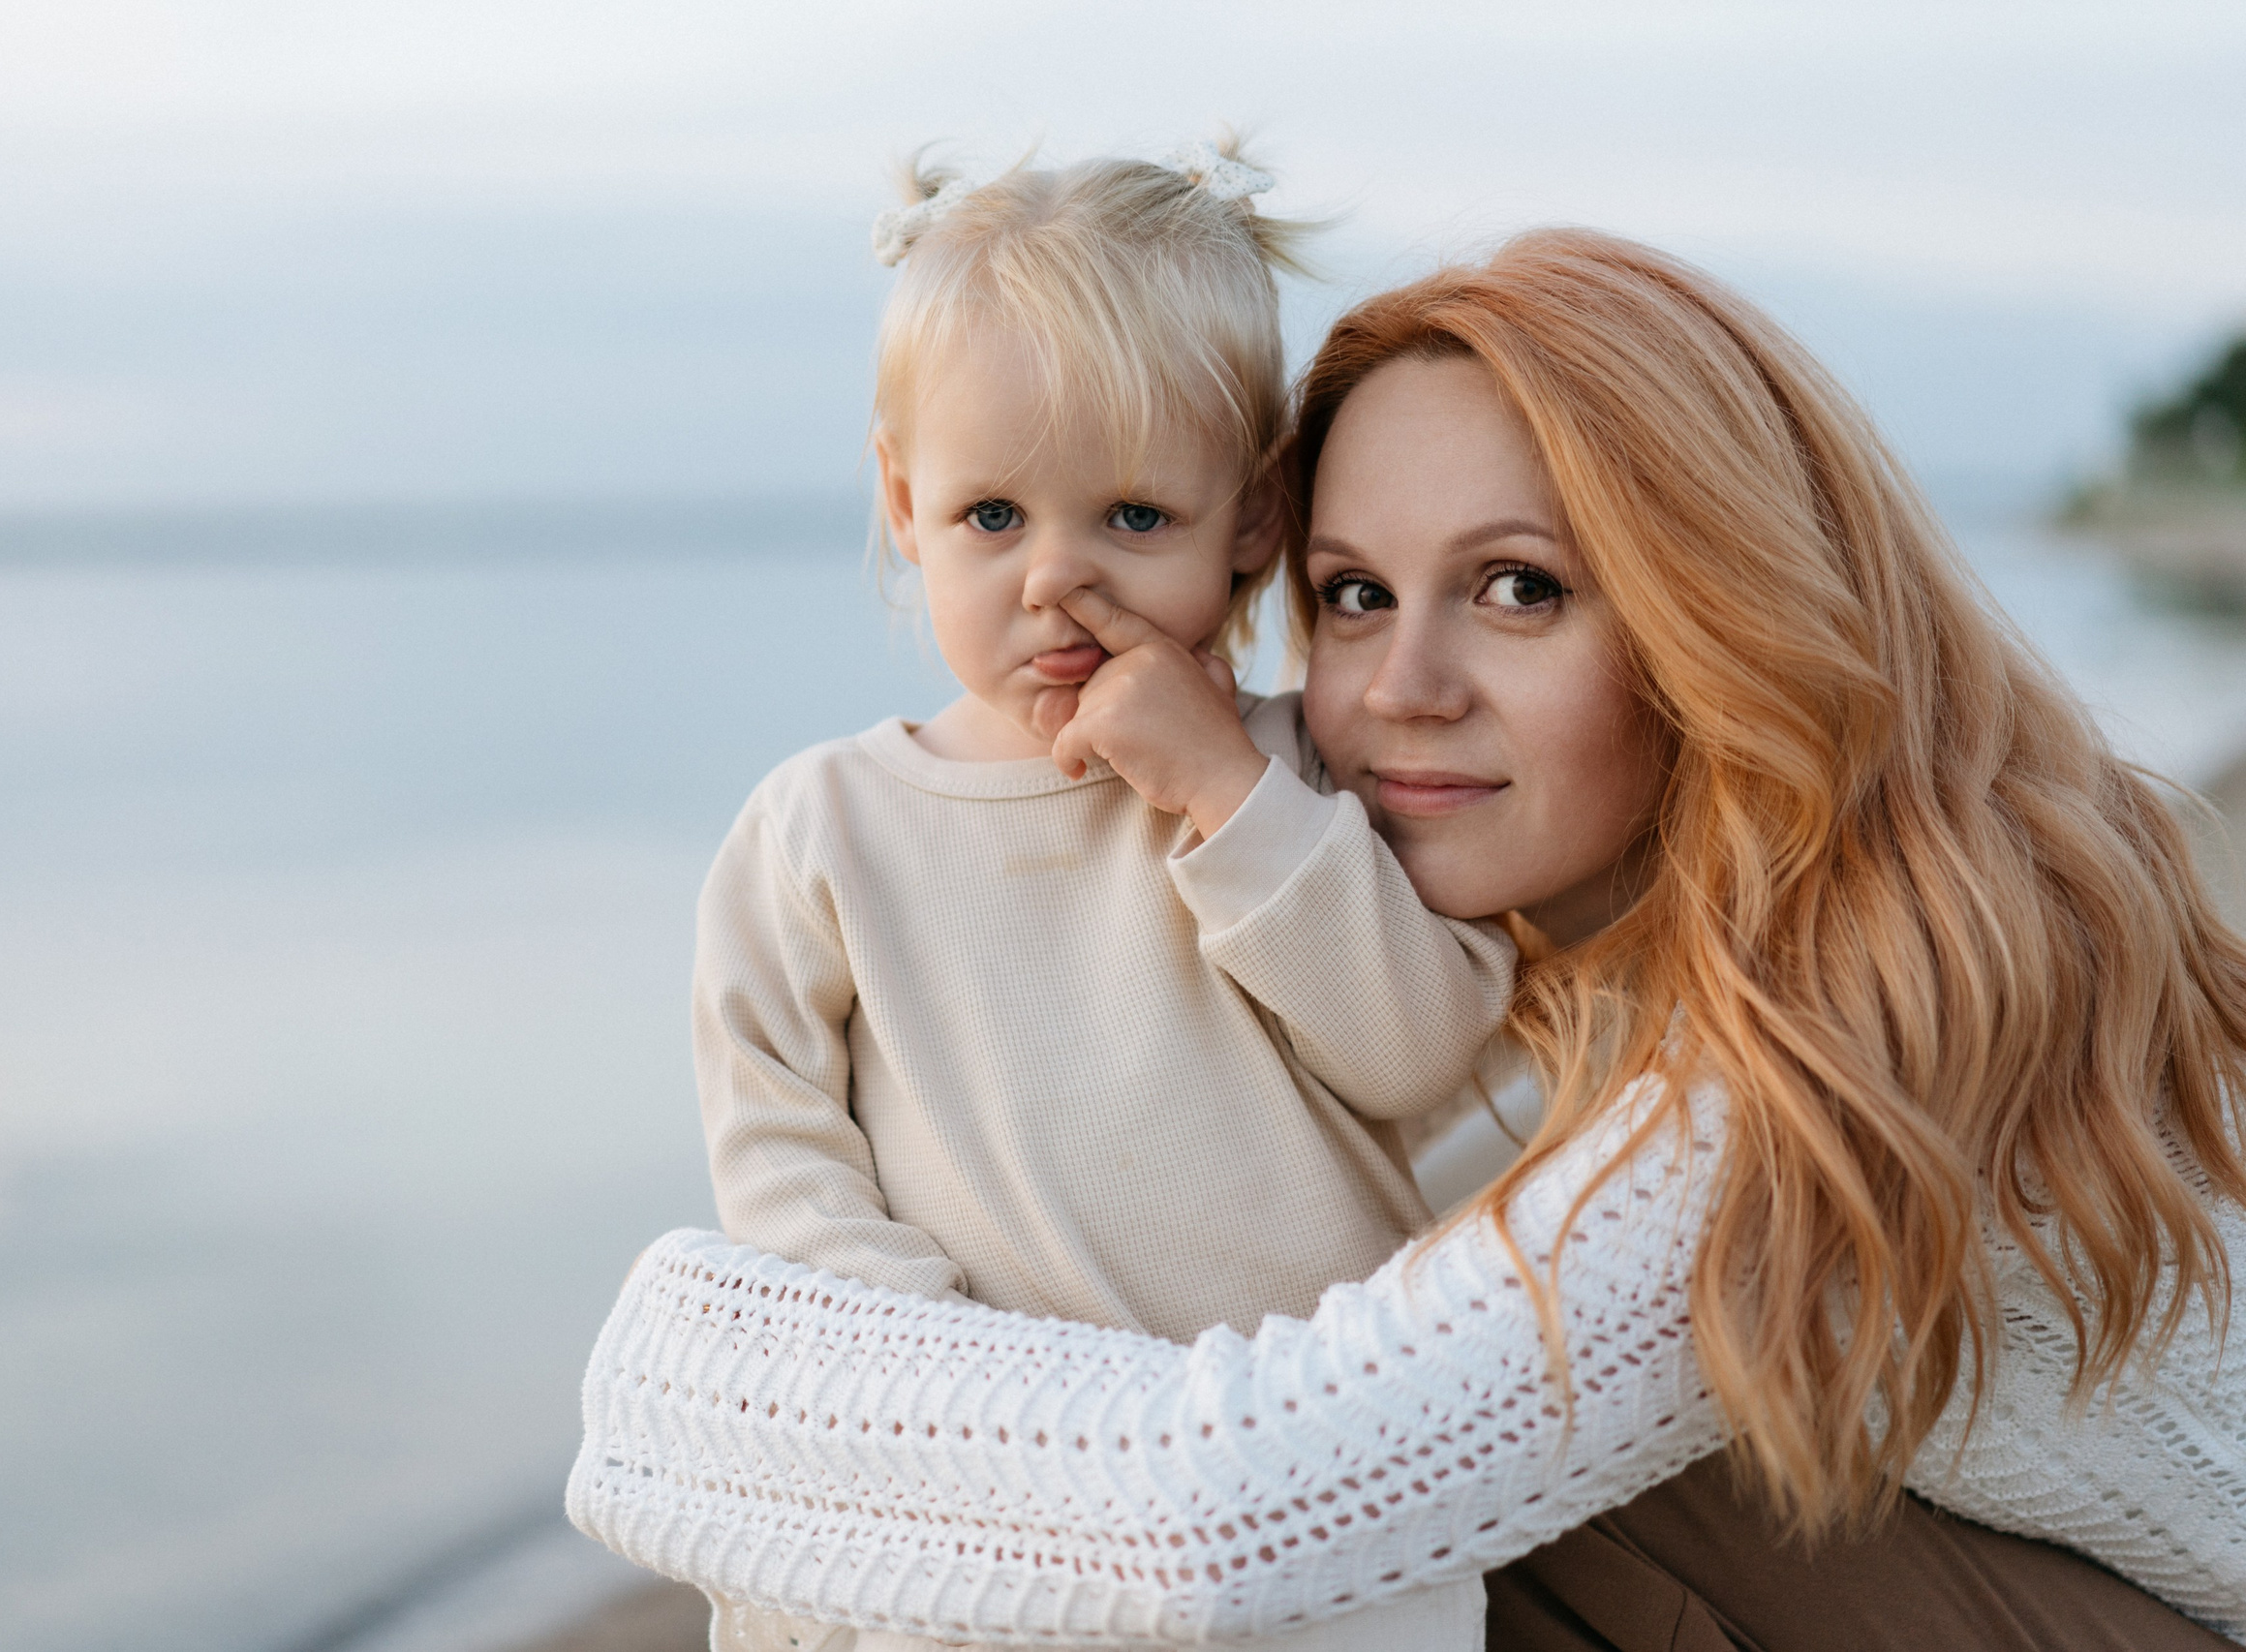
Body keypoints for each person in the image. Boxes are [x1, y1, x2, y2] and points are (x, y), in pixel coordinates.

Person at [573, 228, 2246, 1649]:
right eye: (1356, 594)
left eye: (1520, 588)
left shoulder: (1830, 1032)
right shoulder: (1686, 941)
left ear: (1712, 613)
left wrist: (685, 1361)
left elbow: (1234, 1498)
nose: (1399, 690)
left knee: (1448, 1480)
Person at [687, 140, 1515, 1652]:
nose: (1056, 580)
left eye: (1133, 516)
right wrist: (967, 1397)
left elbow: (1419, 1048)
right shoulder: (823, 829)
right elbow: (784, 1178)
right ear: (902, 495)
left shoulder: (1304, 770)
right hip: (982, 1513)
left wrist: (1224, 792)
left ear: (1254, 516)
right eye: (993, 517)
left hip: (1305, 1507)